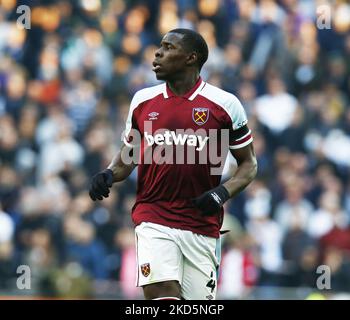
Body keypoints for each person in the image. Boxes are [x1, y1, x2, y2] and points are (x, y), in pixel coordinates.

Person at [89, 28, 257, 300]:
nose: (158, 52)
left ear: (191, 58)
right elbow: (128, 156)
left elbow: (249, 165)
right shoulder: (143, 101)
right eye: (160, 46)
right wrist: (109, 173)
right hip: (153, 215)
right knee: (163, 294)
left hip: (201, 224)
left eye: (168, 48)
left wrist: (221, 192)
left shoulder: (225, 105)